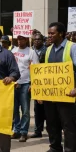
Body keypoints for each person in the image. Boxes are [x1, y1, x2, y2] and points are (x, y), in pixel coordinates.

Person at [43, 22, 76, 152]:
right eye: (49, 33)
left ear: (61, 33)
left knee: (68, 126)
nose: (49, 36)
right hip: (51, 96)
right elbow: (45, 72)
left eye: (52, 33)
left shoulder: (72, 48)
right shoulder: (48, 50)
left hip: (68, 95)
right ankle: (55, 147)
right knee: (52, 124)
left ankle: (70, 149)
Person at [11, 35, 39, 142]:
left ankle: (24, 132)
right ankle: (16, 130)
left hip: (26, 84)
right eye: (18, 39)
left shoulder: (31, 52)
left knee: (25, 110)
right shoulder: (13, 51)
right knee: (14, 110)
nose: (19, 41)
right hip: (14, 84)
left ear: (26, 40)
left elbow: (36, 69)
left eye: (21, 39)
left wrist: (33, 84)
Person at [30, 33, 47, 138]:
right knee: (38, 109)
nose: (36, 41)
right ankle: (38, 130)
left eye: (38, 39)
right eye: (34, 40)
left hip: (46, 82)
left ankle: (50, 129)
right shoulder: (30, 51)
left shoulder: (47, 50)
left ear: (42, 40)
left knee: (48, 108)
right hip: (36, 83)